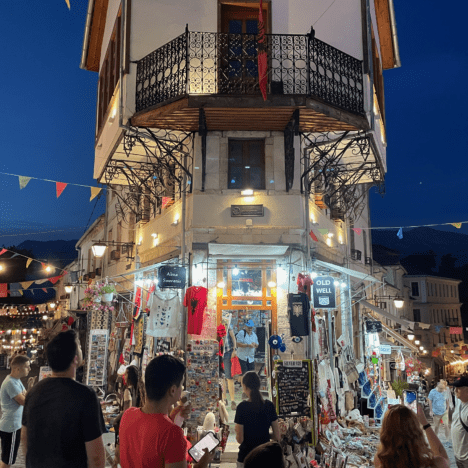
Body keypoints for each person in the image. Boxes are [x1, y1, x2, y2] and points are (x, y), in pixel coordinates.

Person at [21, 330, 106, 468]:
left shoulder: (33, 393)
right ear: (75, 359)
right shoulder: (86, 396)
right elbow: (95, 457)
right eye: (79, 346)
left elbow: (25, 438)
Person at [119, 354, 213, 468]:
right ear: (173, 390)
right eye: (181, 385)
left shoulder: (128, 415)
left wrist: (171, 420)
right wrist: (202, 463)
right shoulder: (172, 434)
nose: (182, 389)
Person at [374, 403, 449, 468]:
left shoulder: (380, 461)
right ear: (417, 433)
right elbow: (444, 458)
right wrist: (424, 423)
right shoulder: (435, 464)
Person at [234, 371, 280, 468]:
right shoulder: (269, 406)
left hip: (246, 457)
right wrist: (262, 434)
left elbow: (240, 439)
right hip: (264, 457)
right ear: (259, 386)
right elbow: (277, 436)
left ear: (245, 387)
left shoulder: (241, 407)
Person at [0, 355, 30, 468]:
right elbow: (25, 402)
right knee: (7, 461)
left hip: (13, 425)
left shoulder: (16, 380)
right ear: (18, 369)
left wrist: (30, 387)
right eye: (27, 367)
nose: (30, 369)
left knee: (7, 458)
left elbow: (26, 396)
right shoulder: (11, 383)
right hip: (11, 427)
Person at [113, 365, 146, 468]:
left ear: (130, 376)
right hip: (139, 425)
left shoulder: (128, 390)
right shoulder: (141, 390)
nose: (124, 376)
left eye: (126, 373)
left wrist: (116, 420)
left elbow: (127, 410)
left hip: (128, 427)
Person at [451, 376, 468, 467]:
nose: (455, 390)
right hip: (458, 455)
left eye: (458, 388)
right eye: (455, 388)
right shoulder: (460, 403)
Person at [223, 324, 238, 410]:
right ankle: (224, 398)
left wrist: (234, 349)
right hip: (218, 352)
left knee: (229, 377)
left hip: (228, 352)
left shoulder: (227, 322)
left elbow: (233, 337)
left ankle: (232, 400)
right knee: (222, 378)